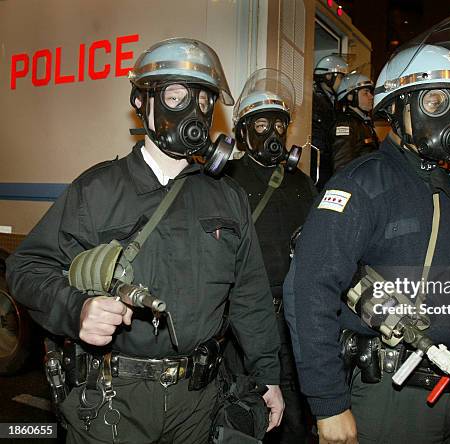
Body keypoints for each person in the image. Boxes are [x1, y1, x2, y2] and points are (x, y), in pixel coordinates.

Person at [6, 38, 283, 443]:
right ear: (143, 102)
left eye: (204, 101)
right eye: (175, 95)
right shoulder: (97, 190)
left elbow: (250, 296)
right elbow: (26, 268)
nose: (193, 110)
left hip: (200, 400)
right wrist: (77, 310)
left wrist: (267, 376)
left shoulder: (227, 196)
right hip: (114, 400)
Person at [284, 15, 450, 444]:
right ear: (399, 107)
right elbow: (308, 290)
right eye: (434, 102)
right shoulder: (362, 184)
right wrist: (329, 404)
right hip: (395, 397)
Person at [224, 68, 317, 443]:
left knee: (292, 403)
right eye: (261, 124)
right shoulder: (224, 178)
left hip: (292, 314)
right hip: (242, 318)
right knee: (242, 402)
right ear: (243, 132)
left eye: (279, 126)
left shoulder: (301, 183)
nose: (273, 134)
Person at [311, 54, 348, 190]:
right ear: (328, 76)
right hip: (320, 166)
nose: (344, 82)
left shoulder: (331, 100)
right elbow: (318, 138)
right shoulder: (315, 101)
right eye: (341, 77)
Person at [330, 72, 379, 172]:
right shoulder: (345, 124)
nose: (371, 96)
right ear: (351, 96)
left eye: (370, 92)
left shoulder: (363, 123)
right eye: (366, 92)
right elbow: (341, 165)